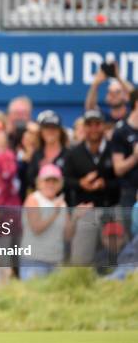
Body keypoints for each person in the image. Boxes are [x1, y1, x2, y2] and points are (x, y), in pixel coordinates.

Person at [64, 109, 120, 265]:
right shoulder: (74, 153)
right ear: (84, 127)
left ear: (103, 126)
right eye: (89, 124)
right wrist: (80, 183)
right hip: (85, 210)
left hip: (112, 209)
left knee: (114, 258)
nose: (94, 128)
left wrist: (105, 184)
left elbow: (123, 181)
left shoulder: (113, 149)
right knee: (81, 260)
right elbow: (65, 181)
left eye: (97, 124)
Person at [20, 164, 80, 280]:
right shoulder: (33, 199)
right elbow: (36, 228)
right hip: (34, 261)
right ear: (40, 183)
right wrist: (54, 213)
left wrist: (75, 218)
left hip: (55, 261)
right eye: (47, 181)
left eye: (54, 181)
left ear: (60, 184)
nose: (51, 184)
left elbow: (68, 236)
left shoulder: (62, 203)